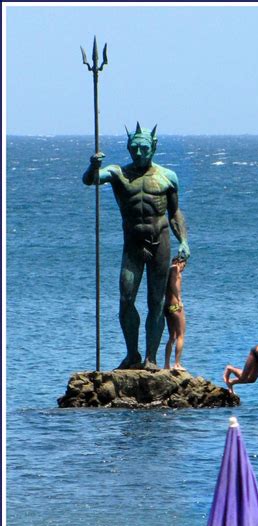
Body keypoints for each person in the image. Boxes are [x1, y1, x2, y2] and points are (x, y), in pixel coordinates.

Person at [82, 123, 190, 370]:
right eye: (135, 149)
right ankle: (132, 354)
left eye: (144, 148)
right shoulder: (118, 173)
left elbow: (174, 213)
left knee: (157, 301)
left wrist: (183, 240)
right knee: (126, 298)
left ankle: (151, 358)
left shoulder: (168, 176)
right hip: (132, 244)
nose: (139, 154)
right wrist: (93, 166)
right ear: (129, 148)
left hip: (160, 243)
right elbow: (91, 180)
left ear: (154, 147)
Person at [164, 257, 186, 370]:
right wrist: (179, 299)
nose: (183, 268)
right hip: (175, 306)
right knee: (181, 335)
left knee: (172, 337)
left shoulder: (168, 270)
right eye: (183, 265)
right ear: (178, 262)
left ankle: (166, 364)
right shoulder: (174, 269)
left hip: (167, 306)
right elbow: (173, 285)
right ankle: (177, 364)